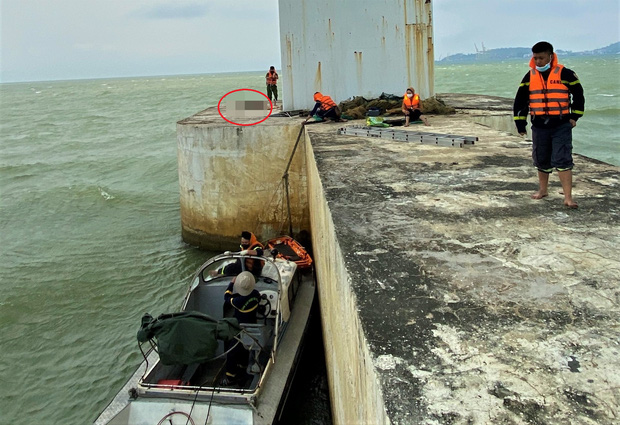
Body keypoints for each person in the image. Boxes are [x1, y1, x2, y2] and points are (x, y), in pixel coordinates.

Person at [514, 41, 584, 209]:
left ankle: (568, 197)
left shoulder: (566, 74)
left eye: (541, 58)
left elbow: (579, 96)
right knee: (541, 158)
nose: (538, 62)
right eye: (535, 58)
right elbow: (520, 101)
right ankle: (543, 190)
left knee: (562, 159)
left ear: (550, 57)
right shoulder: (529, 76)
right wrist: (520, 124)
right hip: (539, 126)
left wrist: (575, 116)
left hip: (561, 125)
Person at [222, 271, 261, 385]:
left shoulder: (237, 301)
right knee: (244, 349)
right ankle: (242, 367)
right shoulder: (256, 295)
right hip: (252, 328)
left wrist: (231, 284)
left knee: (231, 353)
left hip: (240, 329)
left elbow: (227, 297)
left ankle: (230, 377)